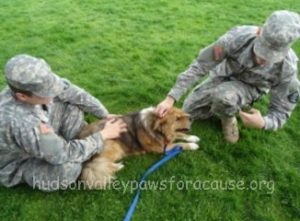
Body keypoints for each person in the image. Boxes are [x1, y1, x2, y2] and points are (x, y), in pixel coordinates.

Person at [156, 10, 300, 143]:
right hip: (222, 76)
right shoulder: (235, 38)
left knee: (224, 96)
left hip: (250, 88)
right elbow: (201, 65)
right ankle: (227, 105)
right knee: (190, 111)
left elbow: (282, 110)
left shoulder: (288, 68)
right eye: (262, 49)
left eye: (272, 55)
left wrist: (263, 123)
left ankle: (228, 117)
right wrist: (171, 98)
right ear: (259, 31)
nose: (263, 59)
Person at [0, 54, 127, 191]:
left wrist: (104, 114)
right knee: (68, 168)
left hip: (44, 137)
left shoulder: (37, 84)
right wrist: (103, 135)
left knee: (72, 105)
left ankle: (80, 146)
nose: (53, 94)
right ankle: (83, 155)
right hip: (23, 160)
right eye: (46, 93)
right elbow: (59, 155)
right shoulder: (22, 122)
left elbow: (74, 93)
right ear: (22, 96)